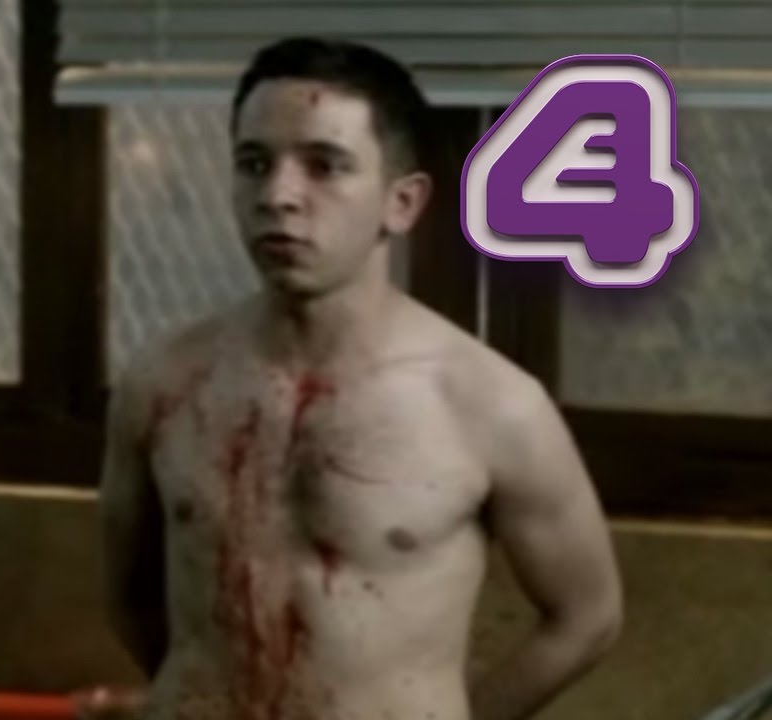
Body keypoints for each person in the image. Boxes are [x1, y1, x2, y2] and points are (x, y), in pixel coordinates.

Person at [97, 36, 624, 720]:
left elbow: (587, 618)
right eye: (254, 164)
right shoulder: (164, 382)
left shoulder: (490, 403)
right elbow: (128, 594)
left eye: (324, 165)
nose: (279, 196)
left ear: (401, 203)